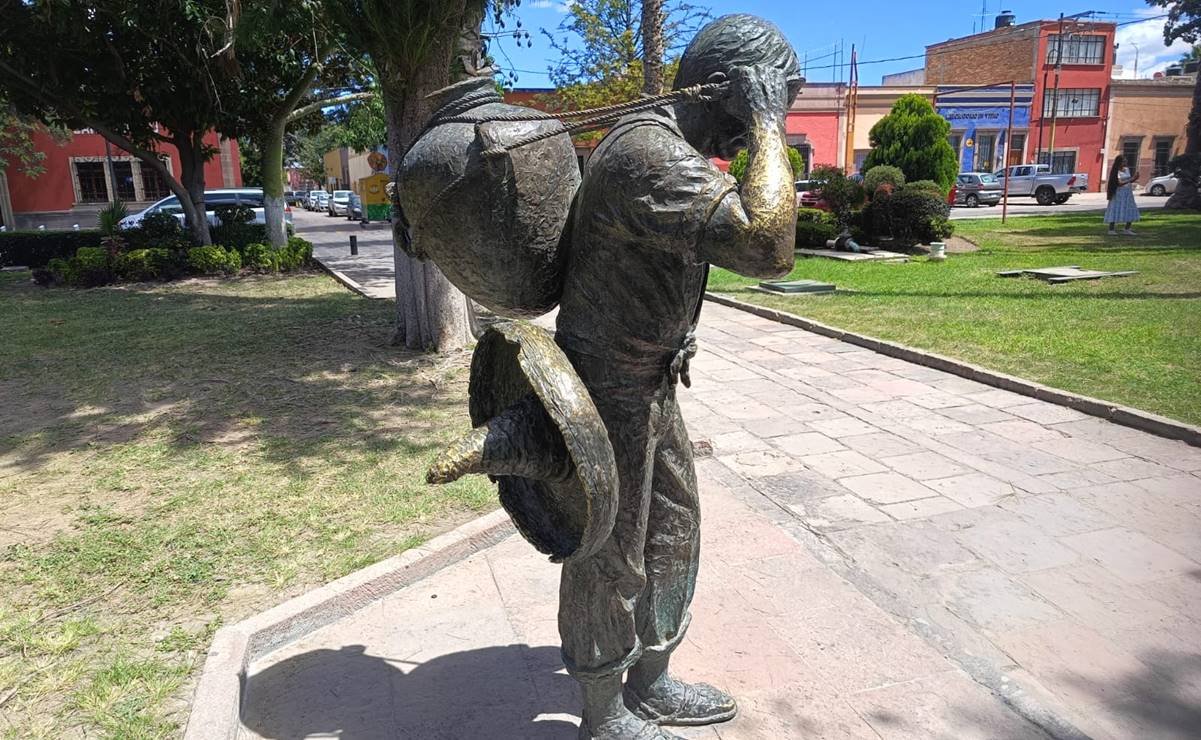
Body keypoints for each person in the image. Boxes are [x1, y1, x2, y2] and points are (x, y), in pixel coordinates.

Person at [553, 14, 802, 740]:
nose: (775, 114)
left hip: (650, 379)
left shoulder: (664, 144)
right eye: (772, 95)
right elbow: (769, 245)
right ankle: (603, 715)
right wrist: (764, 123)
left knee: (670, 529)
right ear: (728, 88)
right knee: (610, 546)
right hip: (608, 386)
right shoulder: (648, 157)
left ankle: (651, 680)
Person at [1105, 154, 1141, 236]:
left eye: (1125, 161)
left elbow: (1128, 180)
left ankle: (1127, 229)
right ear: (1119, 162)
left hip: (1128, 193)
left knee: (1130, 208)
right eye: (1123, 161)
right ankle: (1111, 229)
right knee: (1115, 208)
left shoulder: (1127, 169)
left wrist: (1134, 179)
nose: (1125, 162)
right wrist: (1131, 179)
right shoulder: (1116, 171)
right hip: (1118, 193)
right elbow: (1119, 183)